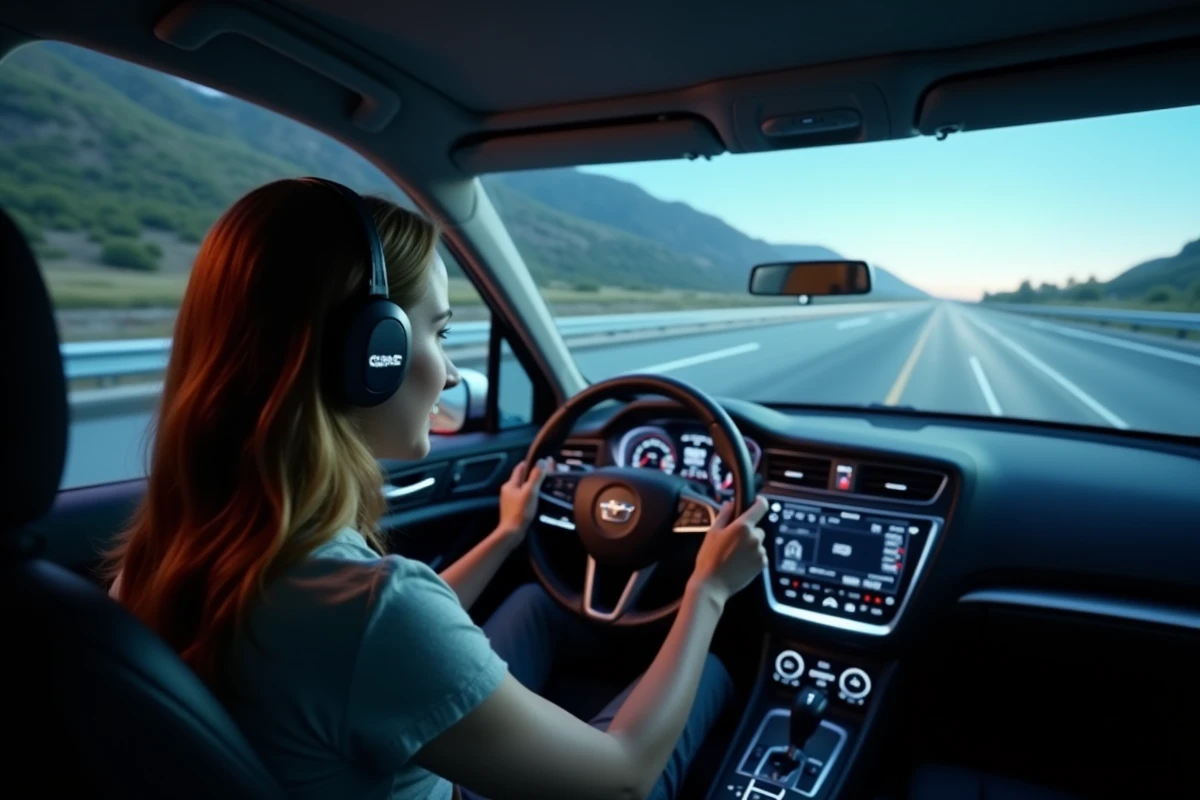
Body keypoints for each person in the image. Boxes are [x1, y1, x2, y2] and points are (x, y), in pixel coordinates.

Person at [104, 177, 770, 800]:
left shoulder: (165, 557)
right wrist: (706, 592)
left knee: (538, 604)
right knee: (710, 670)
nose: (451, 374)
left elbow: (373, 649)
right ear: (371, 354)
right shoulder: (370, 608)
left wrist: (507, 535)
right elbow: (621, 777)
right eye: (440, 332)